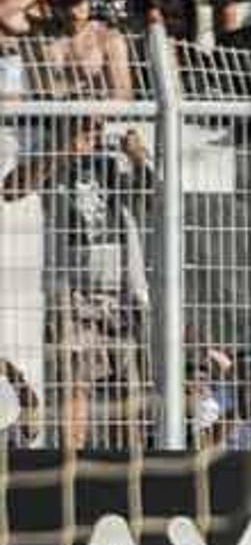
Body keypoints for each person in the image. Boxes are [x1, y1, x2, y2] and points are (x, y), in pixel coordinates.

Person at [2, 120, 152, 450]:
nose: (93, 136)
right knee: (74, 390)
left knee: (128, 394)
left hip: (120, 291)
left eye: (97, 128)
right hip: (73, 294)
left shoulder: (114, 160)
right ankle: (73, 472)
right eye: (85, 127)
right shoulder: (53, 158)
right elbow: (10, 189)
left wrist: (139, 157)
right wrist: (62, 153)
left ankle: (129, 478)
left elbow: (155, 198)